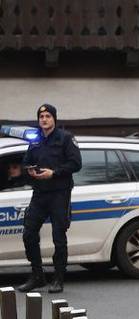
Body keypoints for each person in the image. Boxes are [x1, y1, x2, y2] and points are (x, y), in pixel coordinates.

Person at [4, 105, 82, 293]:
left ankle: (58, 278)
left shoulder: (65, 138)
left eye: (48, 116)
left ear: (54, 119)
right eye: (41, 116)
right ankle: (37, 275)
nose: (44, 119)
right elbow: (26, 161)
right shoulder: (36, 140)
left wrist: (54, 173)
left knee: (58, 238)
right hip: (39, 194)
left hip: (59, 194)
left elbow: (76, 163)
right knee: (29, 234)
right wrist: (28, 169)